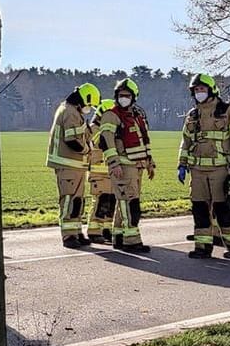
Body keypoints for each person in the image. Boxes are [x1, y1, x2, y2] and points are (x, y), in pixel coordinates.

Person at [178, 74, 230, 258]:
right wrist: (182, 164)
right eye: (196, 90)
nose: (199, 92)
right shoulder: (192, 115)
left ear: (211, 90)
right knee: (199, 209)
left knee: (223, 209)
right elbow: (185, 142)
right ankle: (202, 247)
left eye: (202, 89)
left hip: (220, 169)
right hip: (197, 171)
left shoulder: (227, 110)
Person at [98, 77, 154, 252]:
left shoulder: (136, 116)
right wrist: (114, 164)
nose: (124, 98)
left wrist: (150, 162)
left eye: (127, 95)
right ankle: (132, 241)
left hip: (137, 167)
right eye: (121, 95)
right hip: (122, 166)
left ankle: (119, 236)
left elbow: (144, 141)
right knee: (130, 204)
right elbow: (105, 141)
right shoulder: (111, 115)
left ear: (134, 97)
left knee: (125, 202)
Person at [47, 83, 101, 248]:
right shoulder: (70, 112)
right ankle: (68, 236)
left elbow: (83, 133)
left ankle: (76, 231)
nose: (89, 108)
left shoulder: (73, 111)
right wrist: (88, 149)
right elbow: (73, 140)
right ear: (84, 100)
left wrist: (96, 122)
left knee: (77, 201)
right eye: (89, 104)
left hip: (75, 165)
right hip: (68, 163)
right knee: (70, 200)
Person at [86, 98, 116, 244]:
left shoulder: (106, 128)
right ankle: (93, 231)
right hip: (99, 173)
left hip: (109, 172)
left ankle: (106, 229)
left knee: (111, 201)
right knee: (100, 201)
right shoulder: (94, 129)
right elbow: (101, 142)